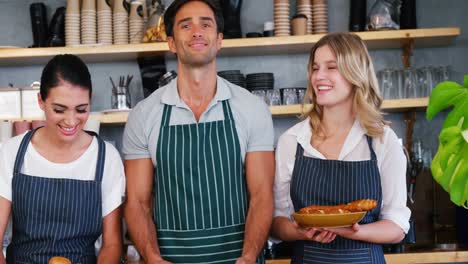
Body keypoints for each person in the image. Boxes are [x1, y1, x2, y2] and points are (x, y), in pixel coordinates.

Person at [122, 0, 275, 263]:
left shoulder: (251, 108)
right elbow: (137, 203)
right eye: (185, 25)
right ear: (170, 42)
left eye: (206, 24)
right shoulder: (143, 115)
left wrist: (249, 257)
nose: (196, 31)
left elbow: (261, 196)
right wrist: (151, 257)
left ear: (219, 40)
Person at [271, 32, 411, 263]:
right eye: (315, 68)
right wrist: (298, 231)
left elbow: (396, 225)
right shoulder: (292, 141)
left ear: (355, 73)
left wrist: (354, 232)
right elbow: (277, 222)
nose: (319, 76)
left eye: (331, 67)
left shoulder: (381, 140)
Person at [0, 54, 125, 264]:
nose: (70, 120)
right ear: (40, 100)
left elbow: (111, 245)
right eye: (59, 109)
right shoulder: (12, 152)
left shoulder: (106, 158)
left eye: (81, 109)